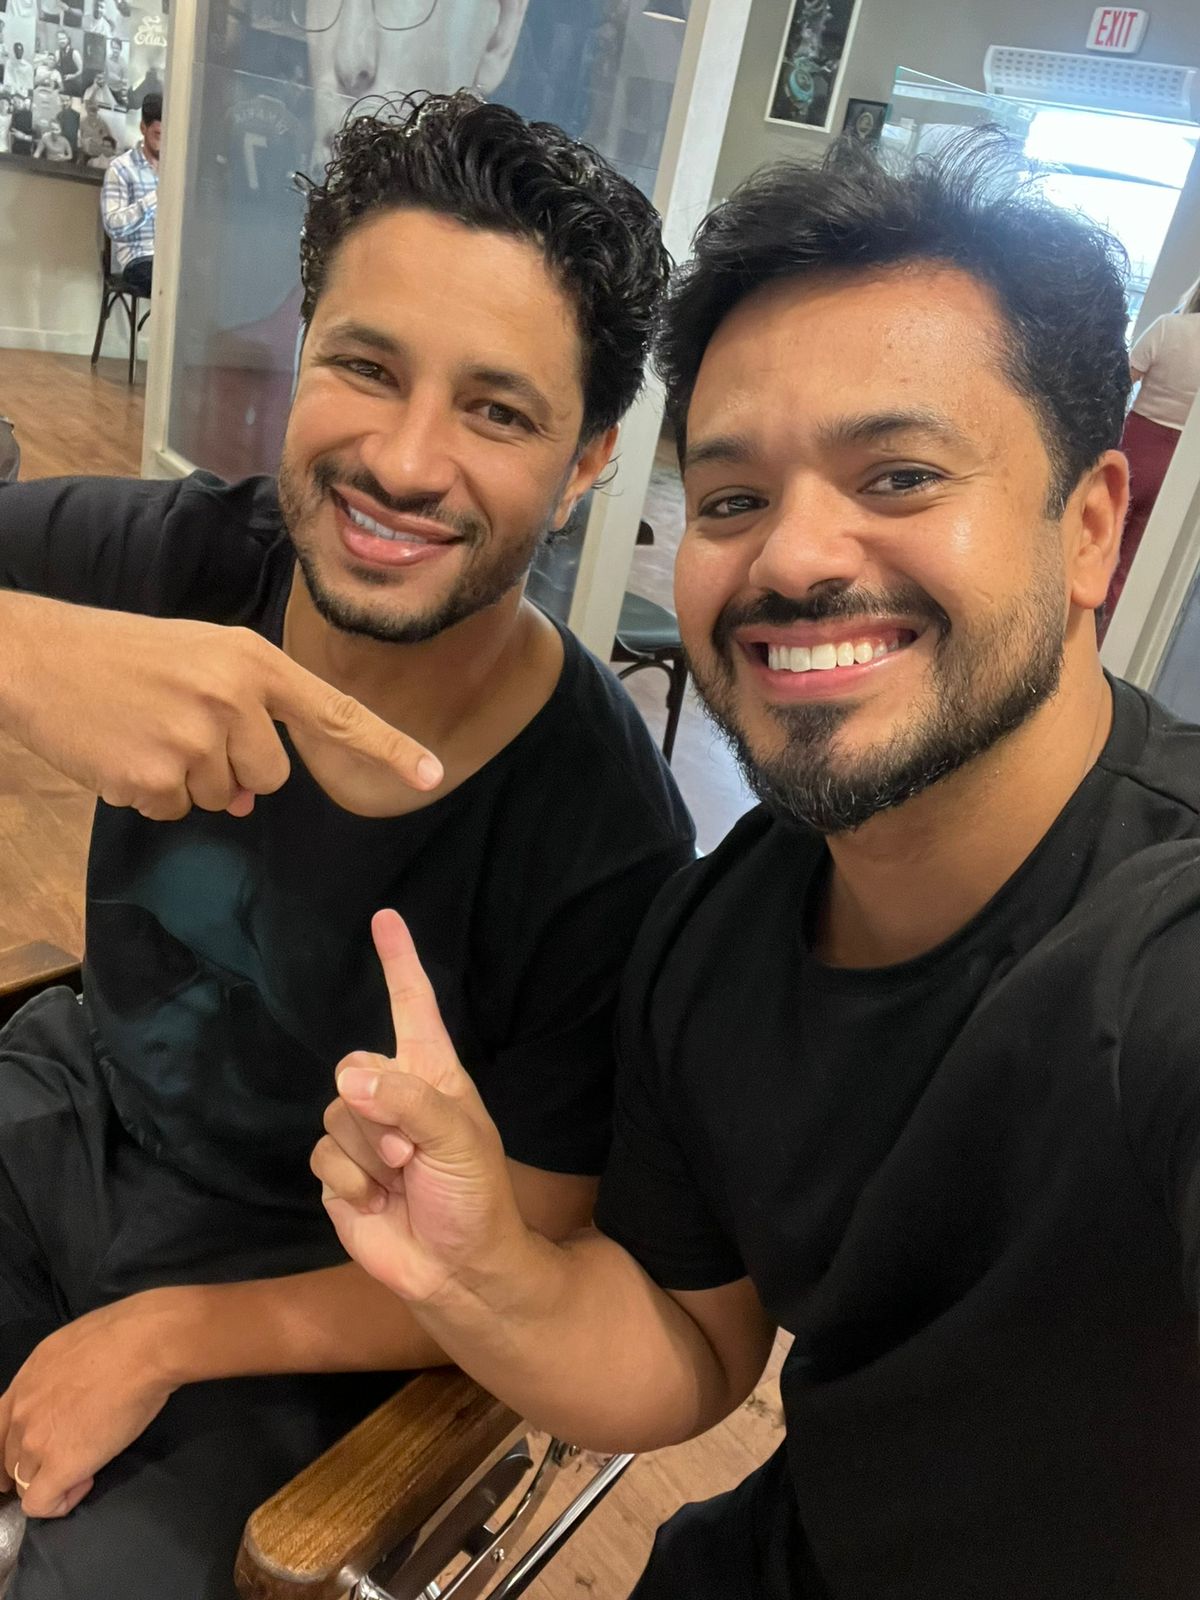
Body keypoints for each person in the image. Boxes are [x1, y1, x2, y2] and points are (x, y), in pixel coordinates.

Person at [314, 130, 1200, 1599]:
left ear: (1091, 527)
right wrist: (485, 1275)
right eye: (730, 500)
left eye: (899, 475)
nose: (791, 560)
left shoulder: (1162, 950)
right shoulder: (712, 936)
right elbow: (691, 1337)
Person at [0, 90, 690, 1597]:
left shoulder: (604, 842)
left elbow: (519, 1253)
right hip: (63, 1113)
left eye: (498, 411)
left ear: (588, 461)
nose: (405, 460)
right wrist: (26, 653)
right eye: (365, 367)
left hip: (313, 1298)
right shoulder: (195, 559)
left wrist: (173, 1335)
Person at [1103, 275, 1200, 629]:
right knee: (1130, 563)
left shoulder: (1168, 328)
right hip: (1183, 464)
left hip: (1137, 443)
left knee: (1098, 536)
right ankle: (1102, 638)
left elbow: (1120, 382)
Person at [99, 90, 159, 293]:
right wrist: (155, 199)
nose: (164, 142)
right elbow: (113, 226)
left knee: (211, 280)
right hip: (138, 257)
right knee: (172, 281)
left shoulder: (177, 168)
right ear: (143, 128)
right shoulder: (121, 168)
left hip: (172, 256)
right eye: (158, 135)